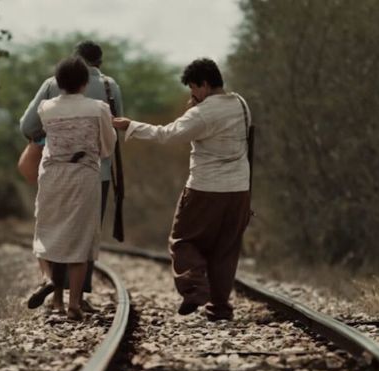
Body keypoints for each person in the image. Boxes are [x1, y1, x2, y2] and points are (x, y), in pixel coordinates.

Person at [113, 58, 251, 322]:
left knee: (182, 240)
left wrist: (130, 126)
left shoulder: (202, 113)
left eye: (193, 88)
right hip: (239, 189)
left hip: (205, 188)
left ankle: (195, 288)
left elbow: (167, 134)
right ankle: (220, 308)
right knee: (225, 249)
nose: (192, 94)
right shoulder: (241, 104)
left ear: (205, 84)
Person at [20, 40, 124, 311]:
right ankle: (76, 301)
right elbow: (110, 142)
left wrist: (48, 141)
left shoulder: (48, 100)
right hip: (90, 174)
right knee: (81, 236)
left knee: (48, 231)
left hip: (53, 172)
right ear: (88, 78)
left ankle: (52, 292)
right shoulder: (108, 91)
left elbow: (28, 126)